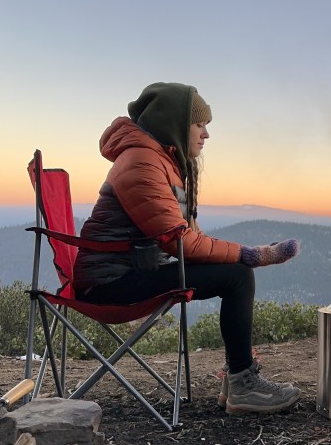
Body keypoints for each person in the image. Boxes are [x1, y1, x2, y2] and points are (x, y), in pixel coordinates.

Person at [73, 82, 302, 414]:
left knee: (236, 274)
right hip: (110, 283)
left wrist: (240, 255)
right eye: (200, 124)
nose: (206, 134)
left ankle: (239, 377)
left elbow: (184, 235)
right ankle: (243, 384)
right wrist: (251, 254)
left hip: (130, 270)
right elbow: (178, 241)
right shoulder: (142, 162)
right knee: (238, 276)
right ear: (174, 123)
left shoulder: (161, 161)